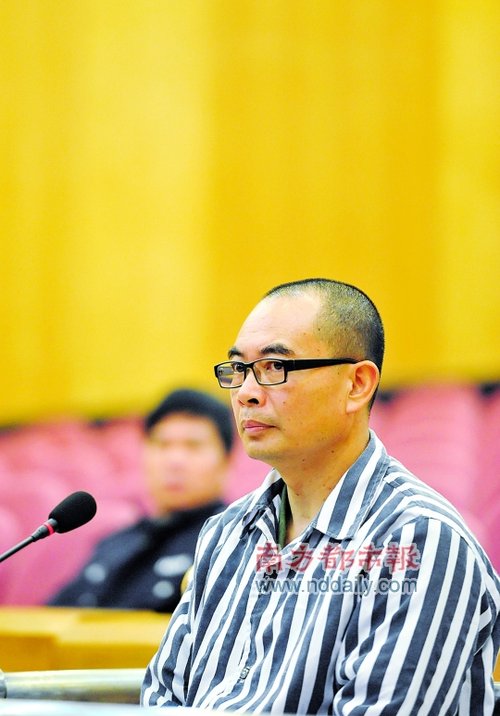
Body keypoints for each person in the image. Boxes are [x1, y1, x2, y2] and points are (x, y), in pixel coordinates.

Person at [141, 279, 500, 714]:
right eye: (238, 370)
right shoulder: (225, 533)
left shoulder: (421, 543)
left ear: (357, 384)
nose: (247, 393)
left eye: (275, 367)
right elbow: (163, 697)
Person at [47, 388, 234, 613]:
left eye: (192, 446)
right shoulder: (115, 542)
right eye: (162, 444)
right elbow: (48, 620)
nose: (174, 460)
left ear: (225, 460)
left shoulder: (231, 545)